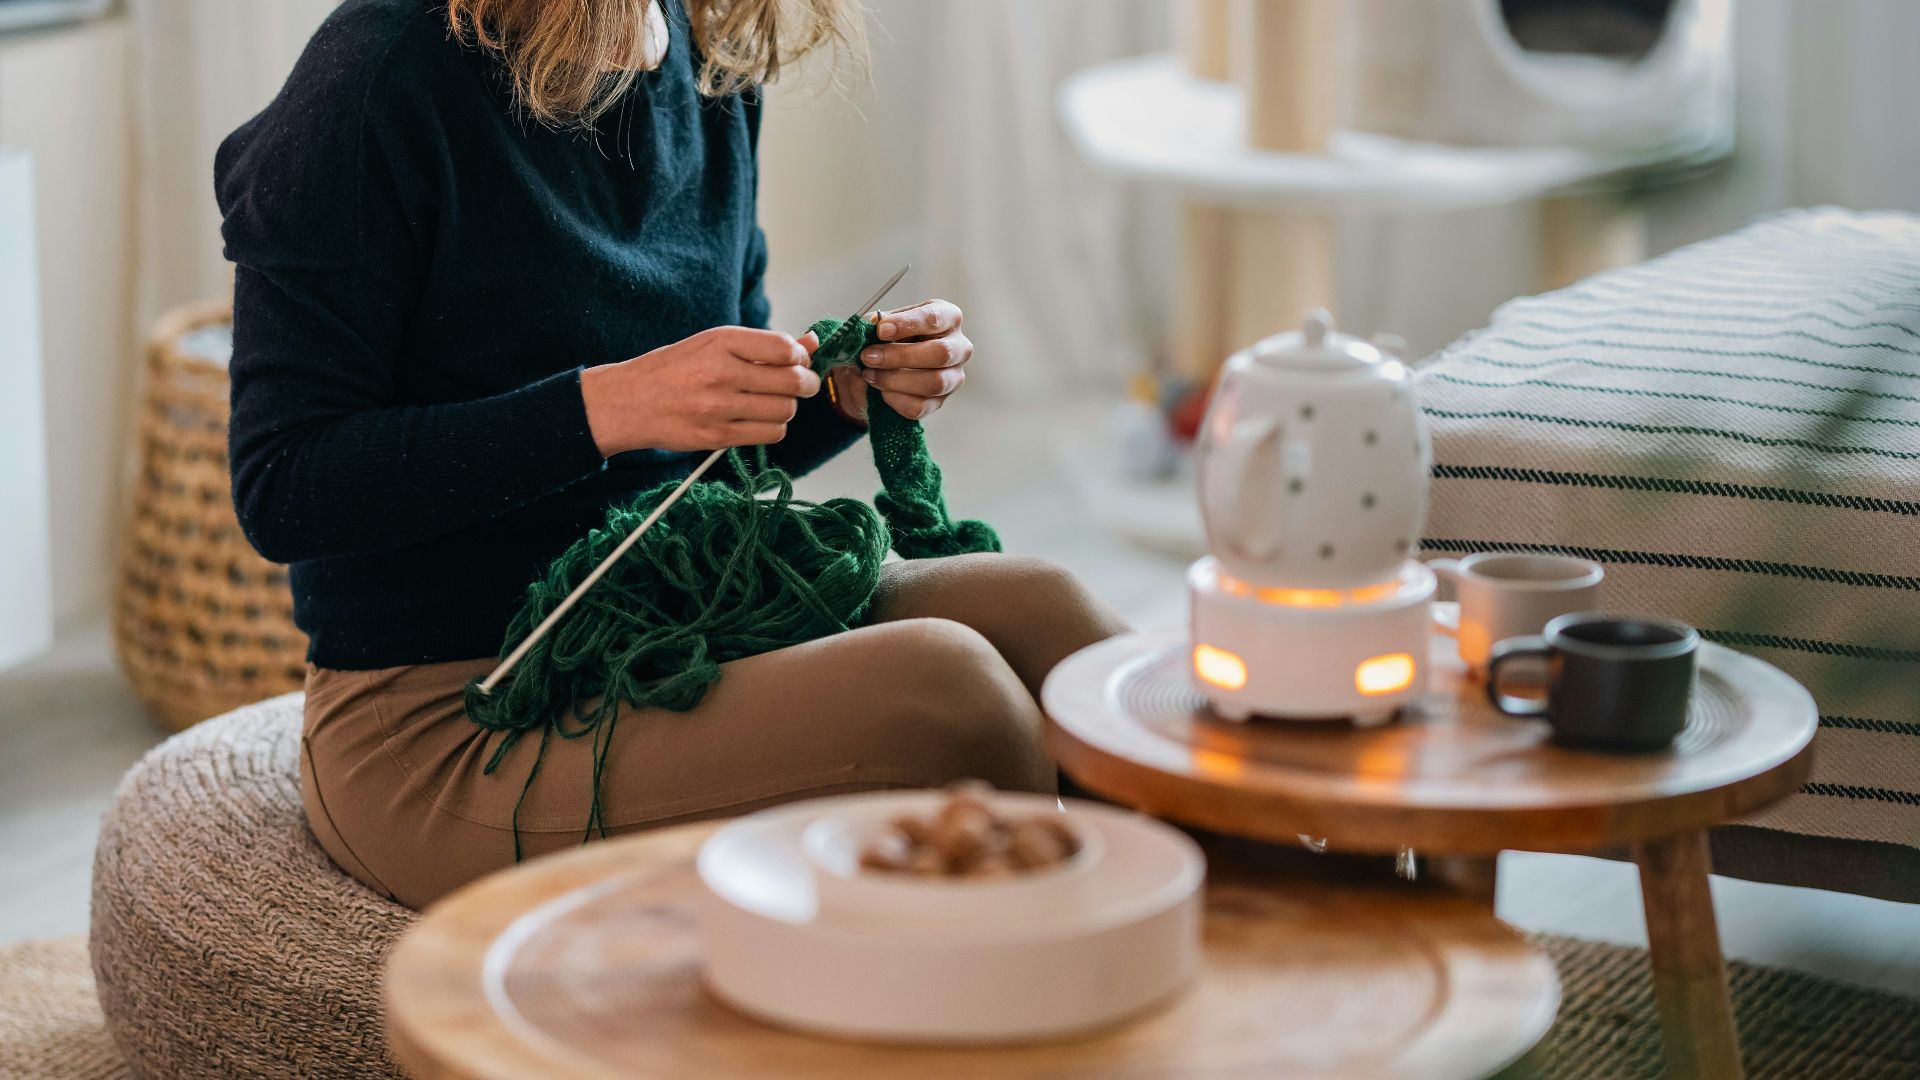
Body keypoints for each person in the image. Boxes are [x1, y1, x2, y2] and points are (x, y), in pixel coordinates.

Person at [216, 0, 1125, 909]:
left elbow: (704, 458)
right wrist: (608, 406)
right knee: (951, 700)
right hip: (450, 708)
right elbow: (284, 487)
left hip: (666, 618)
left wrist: (840, 397)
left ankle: (1223, 972)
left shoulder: (706, 56)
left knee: (1051, 616)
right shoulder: (378, 73)